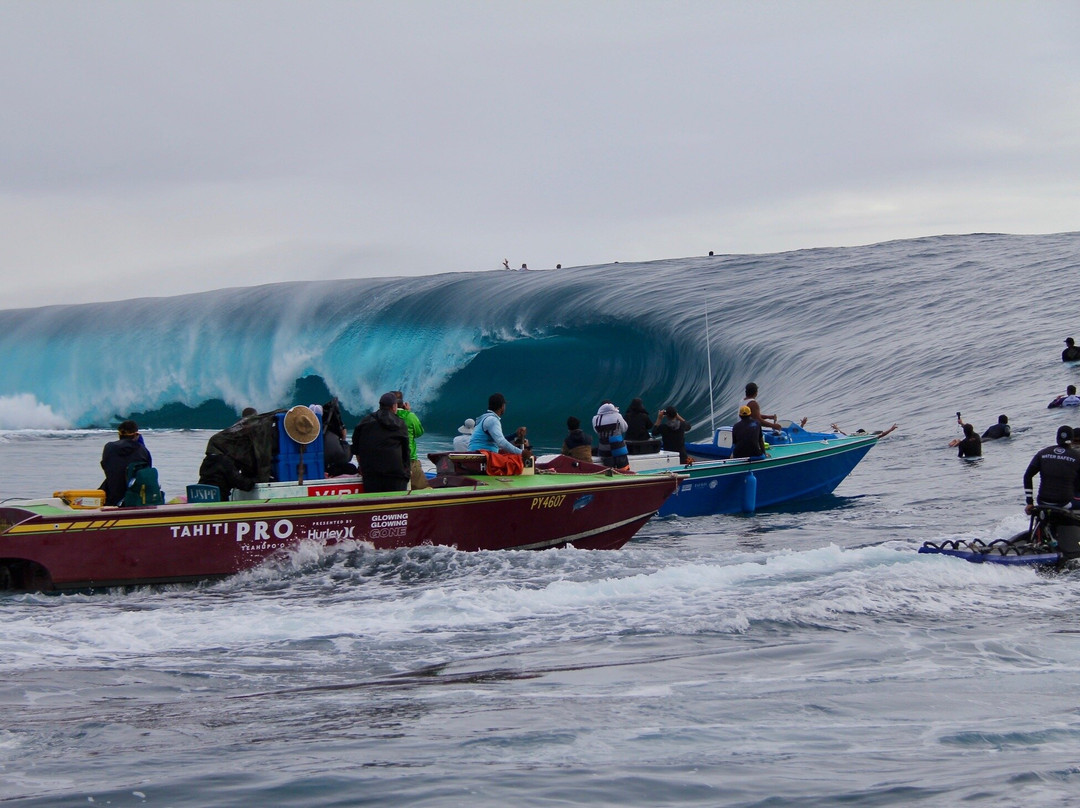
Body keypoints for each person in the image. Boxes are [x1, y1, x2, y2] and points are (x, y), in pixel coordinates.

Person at [351, 392, 411, 493]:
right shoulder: (400, 424)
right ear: (394, 407)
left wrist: (363, 468)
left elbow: (356, 449)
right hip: (396, 477)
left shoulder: (365, 422)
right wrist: (407, 472)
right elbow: (406, 453)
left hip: (371, 476)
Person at [1023, 425, 1080, 512]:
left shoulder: (1042, 453)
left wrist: (1029, 502)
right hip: (1064, 503)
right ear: (1071, 441)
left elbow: (1027, 476)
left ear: (1057, 439)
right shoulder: (1077, 457)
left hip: (1042, 502)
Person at [100, 420, 153, 506]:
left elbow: (105, 466)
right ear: (136, 435)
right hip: (137, 498)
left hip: (112, 497)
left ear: (119, 434)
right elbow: (147, 471)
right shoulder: (143, 450)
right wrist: (140, 443)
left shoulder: (109, 447)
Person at [394, 391, 429, 490]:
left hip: (391, 458)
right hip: (410, 458)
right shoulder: (409, 416)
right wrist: (408, 412)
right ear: (403, 403)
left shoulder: (384, 416)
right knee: (423, 490)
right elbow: (419, 432)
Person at [592, 401, 629, 469]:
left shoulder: (595, 419)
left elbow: (596, 431)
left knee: (610, 472)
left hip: (604, 449)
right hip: (618, 447)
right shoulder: (617, 415)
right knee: (624, 470)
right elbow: (625, 428)